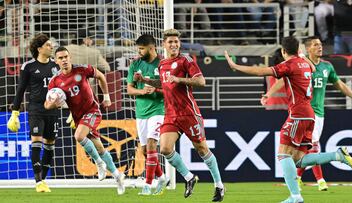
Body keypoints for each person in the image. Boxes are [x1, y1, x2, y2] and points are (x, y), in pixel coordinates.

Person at [224, 36, 352, 203]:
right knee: (298, 160)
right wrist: (302, 57)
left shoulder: (289, 65)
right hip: (309, 114)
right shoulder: (306, 64)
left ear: (283, 51)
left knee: (283, 155)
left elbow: (260, 71)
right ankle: (337, 155)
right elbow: (311, 69)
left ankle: (295, 196)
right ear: (299, 49)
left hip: (298, 115)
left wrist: (235, 65)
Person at [134, 29, 225, 202]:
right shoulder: (162, 64)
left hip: (189, 114)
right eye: (170, 42)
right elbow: (162, 82)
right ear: (164, 44)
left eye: (176, 41)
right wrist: (145, 80)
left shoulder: (186, 60)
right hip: (171, 114)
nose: (174, 44)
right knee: (165, 149)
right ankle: (189, 177)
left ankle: (219, 185)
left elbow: (201, 81)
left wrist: (179, 80)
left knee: (202, 149)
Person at [262, 36, 352, 192]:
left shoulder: (327, 67)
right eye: (315, 45)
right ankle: (312, 179)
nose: (320, 47)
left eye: (320, 44)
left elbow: (339, 84)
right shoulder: (301, 64)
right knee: (304, 151)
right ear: (307, 49)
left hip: (317, 114)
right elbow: (282, 79)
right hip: (302, 112)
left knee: (307, 149)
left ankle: (312, 180)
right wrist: (270, 93)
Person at [44, 46, 125, 195]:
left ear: (70, 58)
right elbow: (46, 103)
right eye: (60, 58)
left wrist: (106, 97)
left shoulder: (82, 70)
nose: (64, 60)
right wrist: (52, 104)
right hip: (78, 117)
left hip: (92, 111)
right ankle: (117, 176)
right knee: (100, 148)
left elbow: (101, 76)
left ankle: (99, 164)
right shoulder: (55, 82)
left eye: (66, 57)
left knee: (79, 136)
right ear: (56, 61)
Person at [7, 33, 58, 193]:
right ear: (39, 48)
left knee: (50, 145)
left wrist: (71, 110)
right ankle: (38, 181)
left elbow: (64, 89)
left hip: (53, 111)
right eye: (48, 45)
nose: (52, 47)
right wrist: (15, 113)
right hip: (36, 110)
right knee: (36, 142)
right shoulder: (28, 66)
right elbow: (20, 90)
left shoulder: (56, 66)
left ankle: (43, 180)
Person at [126, 34, 167, 195]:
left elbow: (170, 90)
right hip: (141, 112)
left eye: (142, 48)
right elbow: (129, 89)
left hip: (158, 110)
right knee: (144, 151)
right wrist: (142, 91)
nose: (139, 51)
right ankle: (162, 177)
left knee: (151, 145)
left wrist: (156, 90)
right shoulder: (135, 64)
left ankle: (148, 185)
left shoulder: (163, 64)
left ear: (152, 48)